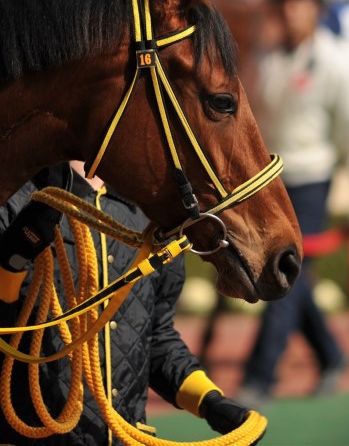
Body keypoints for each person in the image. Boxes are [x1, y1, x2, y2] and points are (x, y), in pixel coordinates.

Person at [0, 161, 254, 445]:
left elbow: (154, 337)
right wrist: (11, 261)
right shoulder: (15, 196)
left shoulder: (151, 216)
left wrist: (208, 401)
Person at [237, 0, 349, 408]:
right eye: (283, 0)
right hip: (267, 183)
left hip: (311, 182)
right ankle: (331, 354)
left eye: (298, 0)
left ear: (317, 9)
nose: (289, 9)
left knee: (281, 278)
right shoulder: (265, 58)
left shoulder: (340, 61)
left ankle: (258, 377)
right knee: (289, 278)